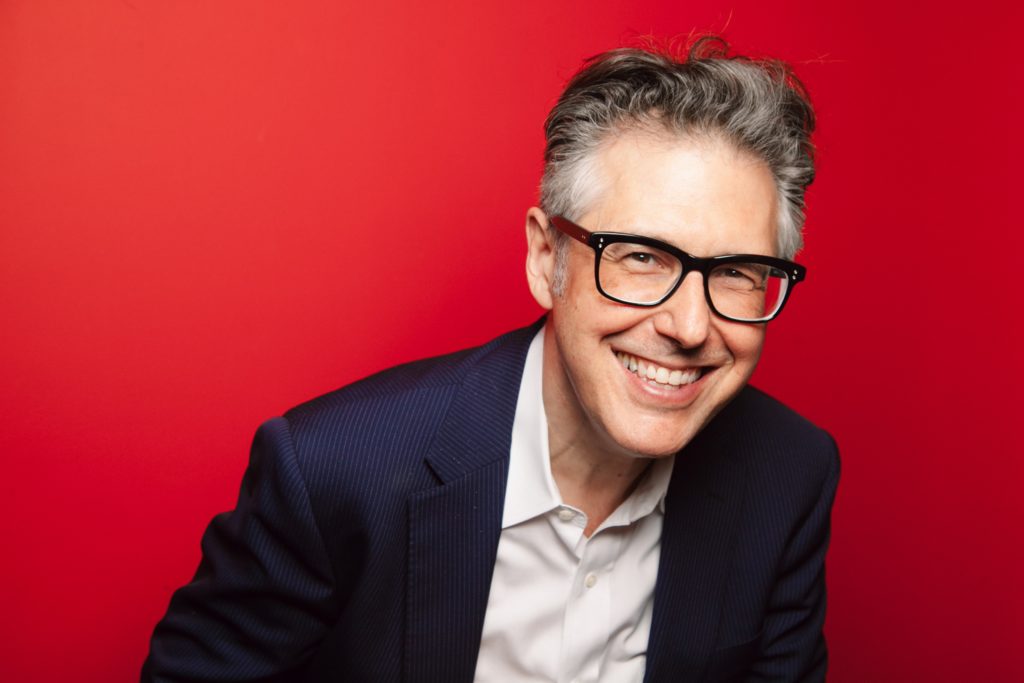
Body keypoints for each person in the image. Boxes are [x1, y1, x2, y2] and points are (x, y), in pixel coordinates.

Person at [143, 37, 840, 683]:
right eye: (640, 257)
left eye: (736, 272)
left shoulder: (788, 477)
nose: (689, 326)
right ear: (545, 258)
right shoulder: (333, 473)